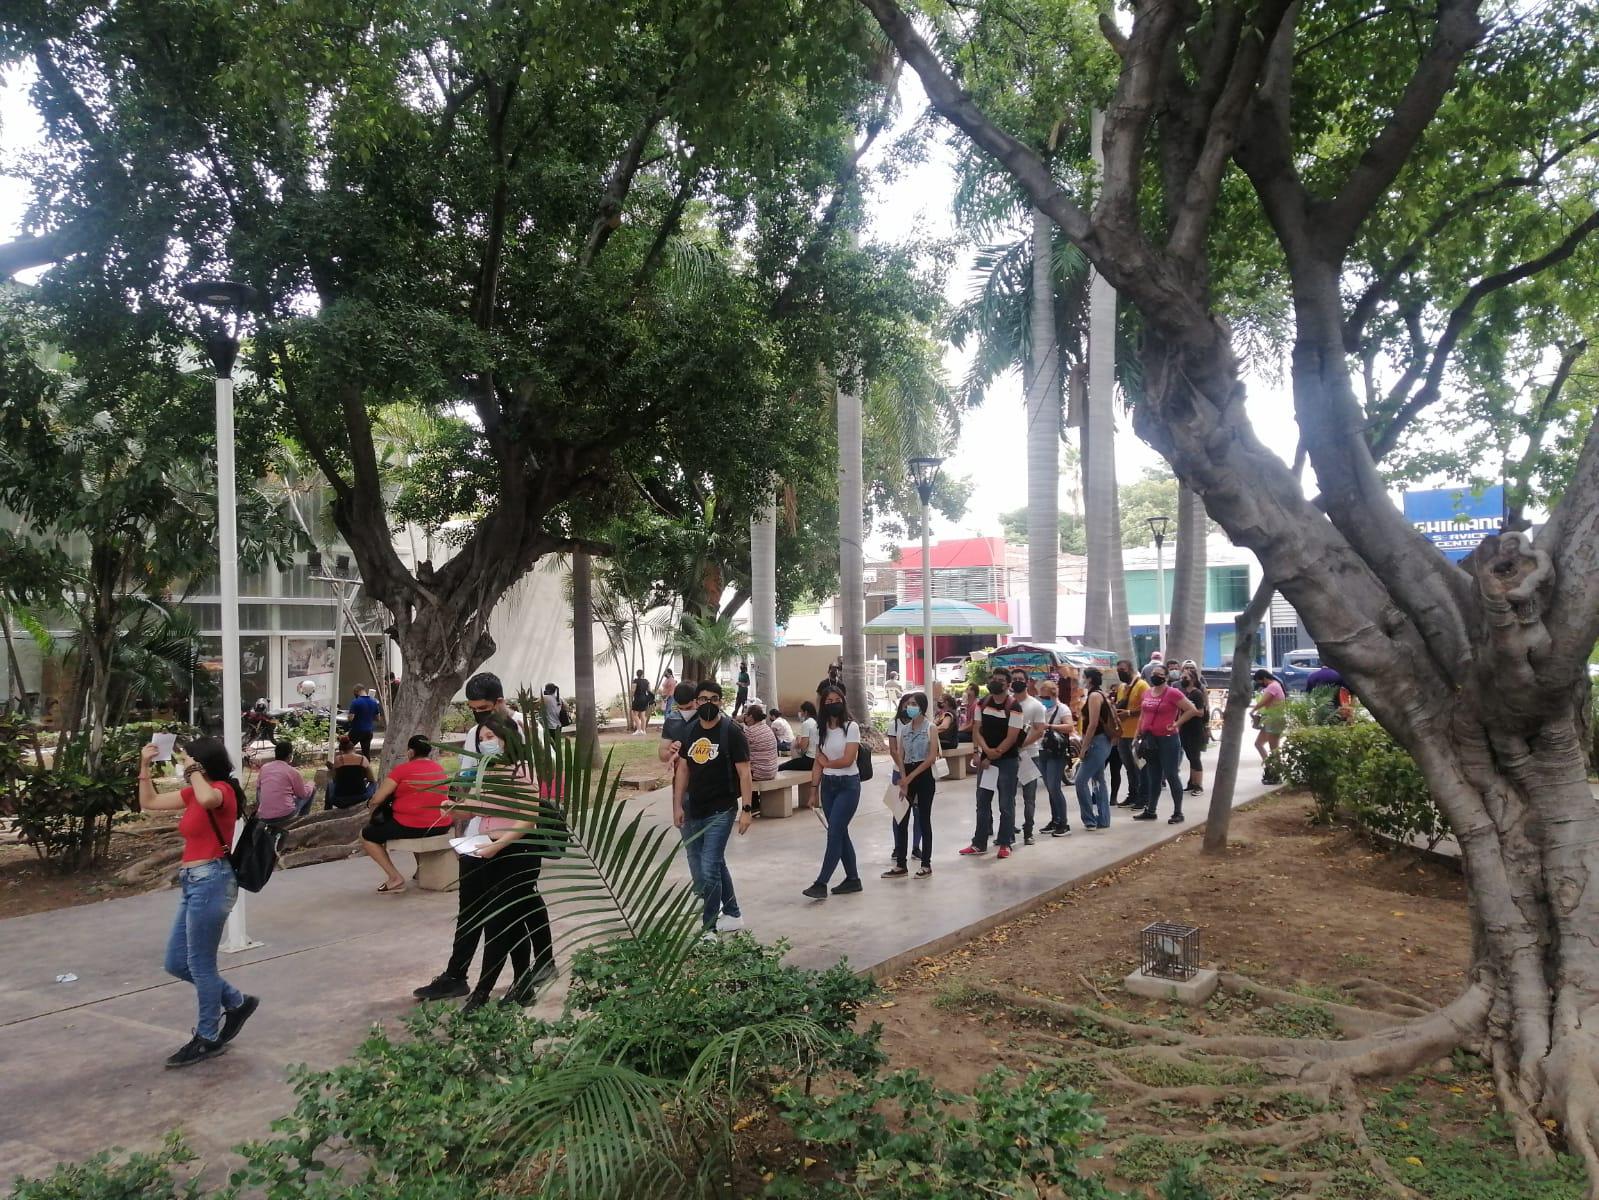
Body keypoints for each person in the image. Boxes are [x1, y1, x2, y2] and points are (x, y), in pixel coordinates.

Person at [136, 737, 257, 1068]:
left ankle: (207, 1037)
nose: (182, 764)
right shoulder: (196, 790)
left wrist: (193, 770)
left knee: (201, 964)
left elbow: (207, 798)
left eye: (187, 759)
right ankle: (236, 1001)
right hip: (192, 881)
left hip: (213, 880)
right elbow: (150, 802)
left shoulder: (223, 791)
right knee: (177, 962)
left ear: (201, 764)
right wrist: (145, 765)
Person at [413, 672, 531, 1002]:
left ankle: (515, 982)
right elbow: (469, 780)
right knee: (472, 911)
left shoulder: (524, 733)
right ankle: (457, 975)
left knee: (509, 917)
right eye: (474, 710)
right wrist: (458, 810)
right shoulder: (476, 735)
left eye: (484, 709)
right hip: (480, 837)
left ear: (500, 703)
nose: (481, 720)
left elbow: (533, 803)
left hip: (514, 842)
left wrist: (504, 840)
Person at [458, 714, 555, 1012]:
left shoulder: (521, 770)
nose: (486, 743)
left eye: (492, 738)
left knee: (499, 923)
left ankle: (482, 993)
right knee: (510, 925)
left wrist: (500, 844)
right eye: (482, 739)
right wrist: (454, 808)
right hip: (488, 850)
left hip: (518, 852)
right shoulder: (487, 771)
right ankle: (523, 984)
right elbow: (481, 807)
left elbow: (528, 817)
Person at [673, 680, 753, 934]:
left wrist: (747, 810)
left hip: (722, 809)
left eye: (714, 699)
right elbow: (683, 769)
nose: (709, 704)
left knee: (708, 869)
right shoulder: (690, 731)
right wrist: (677, 805)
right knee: (714, 864)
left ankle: (709, 928)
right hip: (695, 807)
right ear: (696, 702)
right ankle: (733, 913)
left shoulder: (731, 732)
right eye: (704, 699)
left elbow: (745, 773)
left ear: (720, 702)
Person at [359, 734, 453, 893]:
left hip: (411, 825)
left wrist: (370, 803)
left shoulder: (402, 770)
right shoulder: (439, 768)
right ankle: (419, 871)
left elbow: (378, 798)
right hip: (442, 824)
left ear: (410, 752)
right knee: (412, 823)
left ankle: (394, 877)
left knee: (366, 835)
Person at [803, 692, 864, 898]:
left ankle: (821, 883)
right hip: (828, 786)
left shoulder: (851, 727)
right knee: (839, 832)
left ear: (843, 702)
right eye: (828, 701)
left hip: (848, 785)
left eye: (836, 700)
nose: (832, 704)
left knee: (834, 833)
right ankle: (853, 879)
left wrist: (826, 763)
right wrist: (813, 790)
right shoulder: (820, 730)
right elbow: (816, 761)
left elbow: (848, 759)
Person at [961, 670, 1024, 860]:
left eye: (1001, 680)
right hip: (986, 760)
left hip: (1006, 761)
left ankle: (1005, 843)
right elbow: (976, 730)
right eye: (994, 679)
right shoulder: (983, 703)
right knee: (982, 802)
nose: (996, 682)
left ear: (1008, 684)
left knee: (1006, 803)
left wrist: (992, 754)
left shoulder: (1014, 706)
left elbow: (1012, 736)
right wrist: (980, 751)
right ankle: (978, 842)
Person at [1133, 666, 1202, 823]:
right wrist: (1138, 734)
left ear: (1166, 677)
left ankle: (1178, 812)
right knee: (1154, 775)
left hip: (1168, 739)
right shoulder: (1147, 693)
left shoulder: (1172, 693)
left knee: (1171, 774)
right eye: (1154, 674)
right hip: (1150, 739)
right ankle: (1151, 810)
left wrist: (1177, 723)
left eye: (1159, 674)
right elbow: (1143, 714)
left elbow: (1192, 710)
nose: (1155, 676)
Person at [885, 691, 937, 878]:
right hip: (906, 774)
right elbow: (901, 755)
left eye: (914, 704)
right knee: (901, 819)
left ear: (922, 706)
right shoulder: (904, 730)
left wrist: (910, 776)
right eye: (908, 704)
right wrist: (903, 778)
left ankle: (926, 864)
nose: (909, 707)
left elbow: (931, 757)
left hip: (923, 775)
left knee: (923, 819)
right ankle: (901, 864)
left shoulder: (930, 728)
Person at [1073, 668, 1117, 831]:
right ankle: (1103, 818)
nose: (1081, 680)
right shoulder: (1100, 694)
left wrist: (1083, 747)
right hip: (1101, 741)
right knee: (1098, 780)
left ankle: (1089, 819)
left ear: (1089, 679)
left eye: (1083, 677)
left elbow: (1092, 724)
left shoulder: (1094, 696)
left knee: (1080, 781)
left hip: (1096, 742)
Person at [1008, 668, 1048, 844]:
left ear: (1027, 681)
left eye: (1020, 678)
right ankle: (1008, 830)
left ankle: (1028, 831)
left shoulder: (1036, 705)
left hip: (1030, 755)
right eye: (1014, 678)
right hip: (1008, 757)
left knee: (1029, 797)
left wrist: (1019, 745)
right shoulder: (1007, 704)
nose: (1017, 681)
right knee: (1007, 796)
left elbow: (1039, 731)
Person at [1036, 679, 1074, 837]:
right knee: (1050, 788)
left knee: (1054, 787)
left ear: (1053, 695)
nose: (1043, 699)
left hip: (1056, 752)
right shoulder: (1042, 709)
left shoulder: (1062, 709)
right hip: (1042, 750)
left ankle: (1063, 822)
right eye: (1041, 696)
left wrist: (1050, 727)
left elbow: (1069, 727)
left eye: (1046, 697)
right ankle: (1055, 819)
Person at [257, 739, 318, 828]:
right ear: (290, 756)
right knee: (312, 790)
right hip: (285, 814)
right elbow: (303, 794)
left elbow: (259, 788)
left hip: (264, 815)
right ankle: (302, 823)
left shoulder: (264, 768)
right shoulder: (292, 772)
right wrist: (311, 784)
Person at [1112, 662, 1148, 807]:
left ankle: (1143, 797)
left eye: (1123, 670)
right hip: (1122, 733)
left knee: (1139, 767)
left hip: (1136, 733)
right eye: (1118, 670)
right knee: (1129, 768)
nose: (1120, 673)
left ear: (1131, 670)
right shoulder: (1121, 687)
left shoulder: (1142, 686)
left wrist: (1129, 713)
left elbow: (1147, 707)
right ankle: (1132, 794)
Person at [1252, 669, 1289, 781]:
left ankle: (1276, 773)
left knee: (1274, 749)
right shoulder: (1275, 686)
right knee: (1258, 744)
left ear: (1264, 678)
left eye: (1260, 682)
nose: (1260, 684)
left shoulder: (1272, 686)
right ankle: (1269, 767)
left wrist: (1253, 710)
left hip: (1275, 719)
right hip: (1270, 719)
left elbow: (1264, 701)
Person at [1180, 665, 1210, 796]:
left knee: (1195, 757)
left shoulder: (1196, 693)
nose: (1182, 679)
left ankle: (1198, 785)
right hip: (1185, 729)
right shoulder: (1185, 692)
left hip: (1195, 729)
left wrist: (1189, 712)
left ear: (1192, 679)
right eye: (1182, 676)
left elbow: (1200, 712)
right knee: (1190, 756)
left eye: (1185, 677)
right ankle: (1191, 782)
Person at [325, 735, 377, 809]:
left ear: (341, 751)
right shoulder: (363, 759)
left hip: (340, 800)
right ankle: (372, 807)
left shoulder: (338, 759)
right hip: (361, 798)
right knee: (374, 783)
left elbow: (334, 779)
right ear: (354, 748)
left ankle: (327, 809)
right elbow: (371, 779)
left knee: (330, 784)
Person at [741, 704, 780, 782]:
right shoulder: (766, 727)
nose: (744, 718)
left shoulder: (750, 731)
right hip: (772, 771)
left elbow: (741, 751)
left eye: (746, 715)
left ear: (751, 717)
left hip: (759, 773)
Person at [779, 700, 818, 773]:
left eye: (801, 712)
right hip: (817, 758)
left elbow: (803, 746)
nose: (800, 714)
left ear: (805, 712)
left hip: (810, 760)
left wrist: (797, 743)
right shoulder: (816, 722)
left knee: (781, 767)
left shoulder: (807, 723)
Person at [347, 685, 382, 758]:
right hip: (368, 731)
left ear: (357, 692)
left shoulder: (355, 702)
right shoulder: (374, 702)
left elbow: (351, 718)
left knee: (346, 748)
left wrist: (349, 716)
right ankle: (367, 766)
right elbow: (378, 718)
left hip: (356, 731)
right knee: (366, 752)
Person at [629, 668, 654, 735]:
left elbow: (633, 690)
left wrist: (631, 697)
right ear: (642, 674)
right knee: (643, 715)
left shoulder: (635, 681)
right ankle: (643, 731)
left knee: (635, 714)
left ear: (637, 674)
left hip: (637, 699)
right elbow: (649, 690)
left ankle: (639, 730)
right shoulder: (646, 681)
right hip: (644, 699)